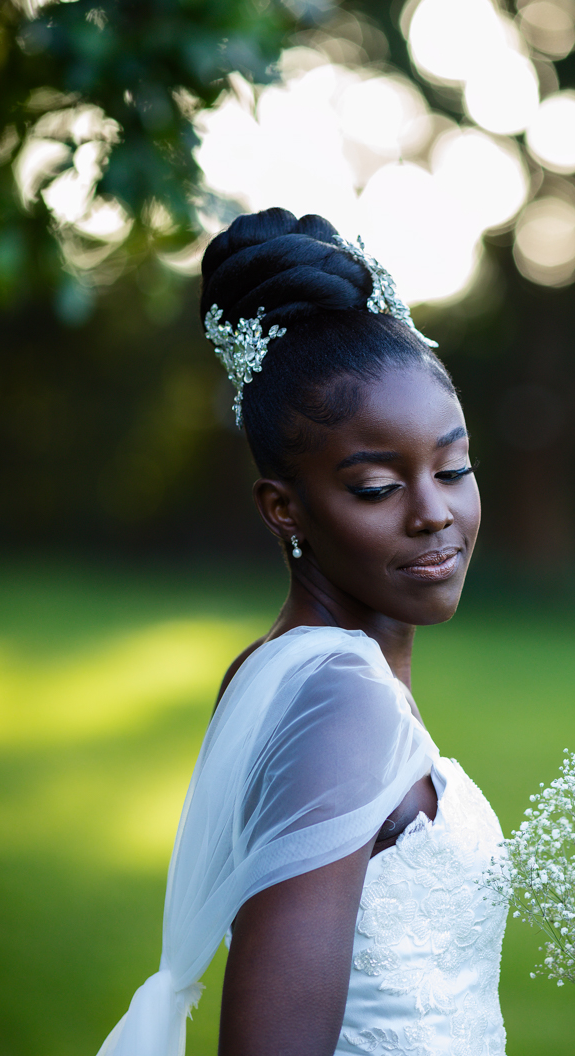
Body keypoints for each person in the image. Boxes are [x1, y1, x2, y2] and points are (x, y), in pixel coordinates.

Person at [96, 208, 508, 1056]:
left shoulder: (284, 669)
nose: (434, 512)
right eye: (374, 487)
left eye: (453, 467)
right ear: (284, 507)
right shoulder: (342, 705)